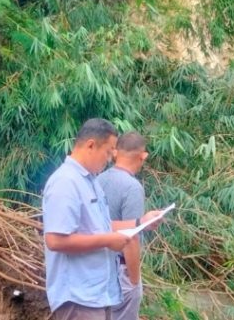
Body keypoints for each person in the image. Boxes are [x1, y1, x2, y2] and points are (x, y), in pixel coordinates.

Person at [42, 119, 164, 320]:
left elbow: (103, 226)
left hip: (99, 294)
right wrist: (108, 241)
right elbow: (55, 240)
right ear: (90, 145)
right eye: (108, 152)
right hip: (79, 297)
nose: (109, 159)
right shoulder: (65, 182)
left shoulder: (92, 182)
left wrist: (140, 222)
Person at [97, 132, 149, 320]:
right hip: (121, 270)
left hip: (100, 266)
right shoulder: (132, 187)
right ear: (143, 156)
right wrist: (134, 281)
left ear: (116, 153)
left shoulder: (99, 179)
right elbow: (131, 237)